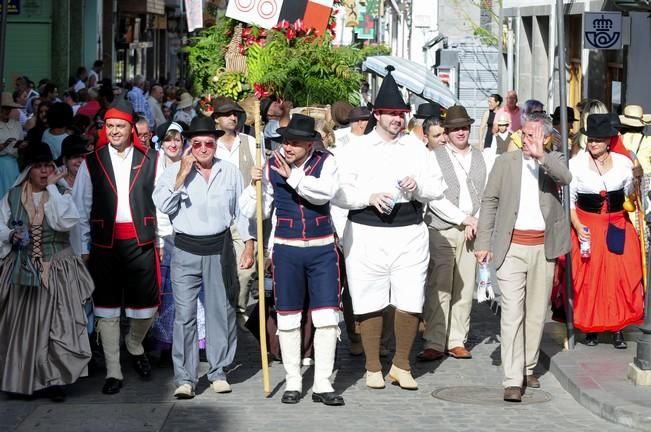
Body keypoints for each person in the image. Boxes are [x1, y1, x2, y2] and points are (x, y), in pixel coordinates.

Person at [335, 66, 443, 390]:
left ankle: (401, 364)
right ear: (376, 114)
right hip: (367, 232)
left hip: (409, 231)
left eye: (401, 114)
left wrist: (418, 185)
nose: (397, 119)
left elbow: (435, 187)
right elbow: (338, 191)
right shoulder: (354, 148)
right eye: (391, 113)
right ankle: (371, 366)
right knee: (368, 298)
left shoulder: (416, 148)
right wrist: (367, 197)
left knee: (410, 297)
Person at [240, 113, 344, 406]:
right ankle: (294, 381)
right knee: (287, 317)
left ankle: (323, 383)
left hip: (322, 248)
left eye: (295, 143)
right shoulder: (271, 165)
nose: (287, 147)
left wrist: (294, 177)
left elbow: (324, 195)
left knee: (326, 318)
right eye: (285, 141)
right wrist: (253, 185)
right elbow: (255, 212)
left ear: (310, 144)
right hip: (286, 248)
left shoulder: (327, 162)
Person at [475, 112, 572, 402]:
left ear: (546, 137)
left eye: (533, 134)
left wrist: (542, 157)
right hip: (512, 247)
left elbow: (565, 178)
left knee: (536, 312)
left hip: (544, 248)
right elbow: (490, 200)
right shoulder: (506, 162)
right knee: (512, 313)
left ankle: (529, 365)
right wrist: (483, 241)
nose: (527, 139)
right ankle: (512, 379)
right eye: (524, 133)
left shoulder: (556, 161)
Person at [154, 116, 252, 399]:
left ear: (216, 144)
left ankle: (218, 371)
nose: (203, 148)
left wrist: (248, 245)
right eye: (196, 143)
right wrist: (181, 175)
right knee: (184, 316)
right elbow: (162, 204)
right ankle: (185, 378)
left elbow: (241, 211)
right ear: (189, 146)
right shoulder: (173, 171)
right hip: (185, 249)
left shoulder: (230, 171)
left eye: (209, 143)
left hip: (218, 250)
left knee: (220, 311)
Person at [72, 99, 160, 395]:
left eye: (119, 126)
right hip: (104, 244)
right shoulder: (91, 162)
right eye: (109, 126)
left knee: (146, 306)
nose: (114, 131)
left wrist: (161, 242)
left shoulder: (151, 159)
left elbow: (161, 204)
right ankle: (113, 370)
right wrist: (83, 246)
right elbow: (81, 207)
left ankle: (134, 344)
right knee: (106, 309)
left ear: (130, 128)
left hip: (142, 240)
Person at [0, 143, 93, 401]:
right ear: (28, 169)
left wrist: (53, 186)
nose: (43, 171)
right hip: (22, 267)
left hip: (58, 268)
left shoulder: (61, 192)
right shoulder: (13, 195)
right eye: (38, 167)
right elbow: (0, 225)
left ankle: (55, 381)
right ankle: (25, 381)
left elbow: (64, 221)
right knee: (24, 328)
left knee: (58, 326)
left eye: (47, 166)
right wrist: (10, 233)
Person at [568, 114, 644, 348]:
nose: (593, 143)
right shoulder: (576, 164)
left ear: (608, 141)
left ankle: (617, 328)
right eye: (591, 139)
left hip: (617, 224)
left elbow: (631, 193)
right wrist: (579, 227)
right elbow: (569, 202)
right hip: (587, 225)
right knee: (590, 280)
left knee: (618, 278)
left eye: (598, 140)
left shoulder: (623, 163)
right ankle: (591, 329)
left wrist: (636, 179)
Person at [418, 105, 487, 362]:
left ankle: (457, 339)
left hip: (472, 230)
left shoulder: (481, 157)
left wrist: (477, 221)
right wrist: (463, 218)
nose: (461, 132)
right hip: (442, 228)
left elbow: (488, 193)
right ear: (446, 132)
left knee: (465, 286)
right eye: (456, 128)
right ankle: (435, 340)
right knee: (441, 285)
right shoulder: (434, 156)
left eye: (465, 127)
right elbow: (433, 197)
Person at [212, 99, 257, 319]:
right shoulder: (208, 144)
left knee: (246, 270)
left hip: (245, 216)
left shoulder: (250, 142)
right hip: (216, 217)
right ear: (217, 119)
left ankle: (238, 310)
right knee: (219, 270)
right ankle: (224, 313)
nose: (232, 117)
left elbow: (261, 177)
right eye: (227, 114)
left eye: (235, 114)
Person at [0, 93, 24, 198]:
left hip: (14, 163)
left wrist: (22, 145)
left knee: (12, 193)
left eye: (9, 108)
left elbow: (20, 143)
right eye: (4, 108)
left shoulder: (17, 124)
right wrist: (4, 144)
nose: (7, 110)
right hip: (1, 161)